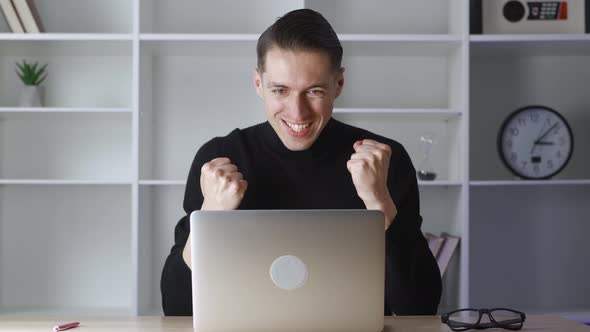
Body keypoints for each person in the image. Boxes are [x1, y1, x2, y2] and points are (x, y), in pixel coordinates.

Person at [161, 8, 442, 316]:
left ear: (339, 84)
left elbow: (421, 305)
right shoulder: (219, 159)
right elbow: (176, 307)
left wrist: (380, 204)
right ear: (258, 83)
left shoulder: (384, 159)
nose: (298, 113)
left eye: (314, 91)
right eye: (280, 90)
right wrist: (210, 215)